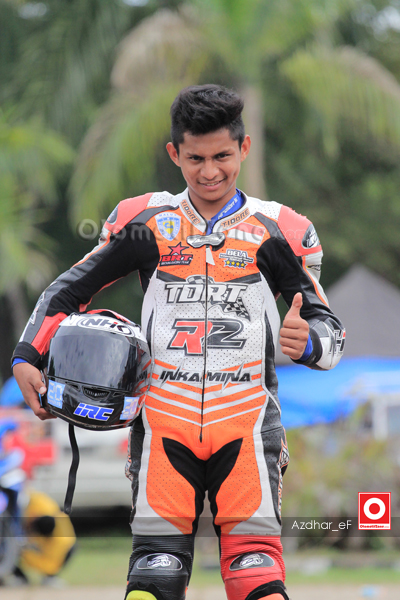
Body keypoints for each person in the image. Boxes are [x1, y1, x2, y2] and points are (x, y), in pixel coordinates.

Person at [12, 84, 345, 600]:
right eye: (196, 159)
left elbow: (330, 330)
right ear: (175, 154)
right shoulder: (145, 222)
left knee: (255, 577)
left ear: (244, 148)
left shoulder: (278, 229)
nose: (210, 171)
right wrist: (26, 356)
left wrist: (308, 343)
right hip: (162, 425)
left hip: (248, 426)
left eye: (222, 156)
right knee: (154, 578)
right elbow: (66, 291)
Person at [14, 489, 76, 587]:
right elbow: (28, 494)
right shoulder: (44, 506)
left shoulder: (61, 541)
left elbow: (49, 566)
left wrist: (24, 554)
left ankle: (49, 578)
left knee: (16, 551)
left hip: (65, 549)